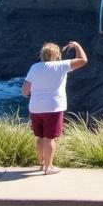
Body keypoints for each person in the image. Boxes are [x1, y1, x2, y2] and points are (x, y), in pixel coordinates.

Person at [23, 40, 88, 174]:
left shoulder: (35, 67)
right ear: (57, 55)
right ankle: (49, 167)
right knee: (50, 138)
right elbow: (83, 60)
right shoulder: (62, 65)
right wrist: (76, 46)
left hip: (35, 108)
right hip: (53, 108)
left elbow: (25, 91)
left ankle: (42, 163)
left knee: (40, 137)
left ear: (42, 54)